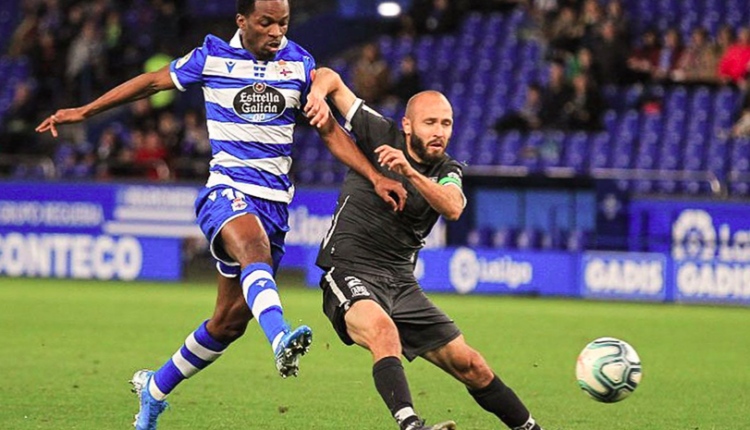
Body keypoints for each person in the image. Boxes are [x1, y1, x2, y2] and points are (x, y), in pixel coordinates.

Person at [35, 1, 407, 429]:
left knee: (227, 323)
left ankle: (154, 390)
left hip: (274, 203)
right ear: (242, 21)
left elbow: (329, 132)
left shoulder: (299, 63)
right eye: (266, 22)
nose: (275, 31)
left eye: (282, 23)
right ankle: (281, 335)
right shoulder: (211, 56)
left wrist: (374, 177)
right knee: (254, 251)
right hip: (226, 189)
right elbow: (152, 82)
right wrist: (84, 111)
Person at [305, 68, 546, 430]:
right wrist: (317, 97)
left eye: (446, 123)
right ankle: (411, 425)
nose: (439, 132)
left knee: (472, 366)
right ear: (407, 125)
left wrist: (412, 174)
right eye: (430, 122)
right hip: (349, 268)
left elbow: (453, 206)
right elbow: (328, 77)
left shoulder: (447, 168)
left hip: (401, 282)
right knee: (383, 332)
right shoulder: (378, 131)